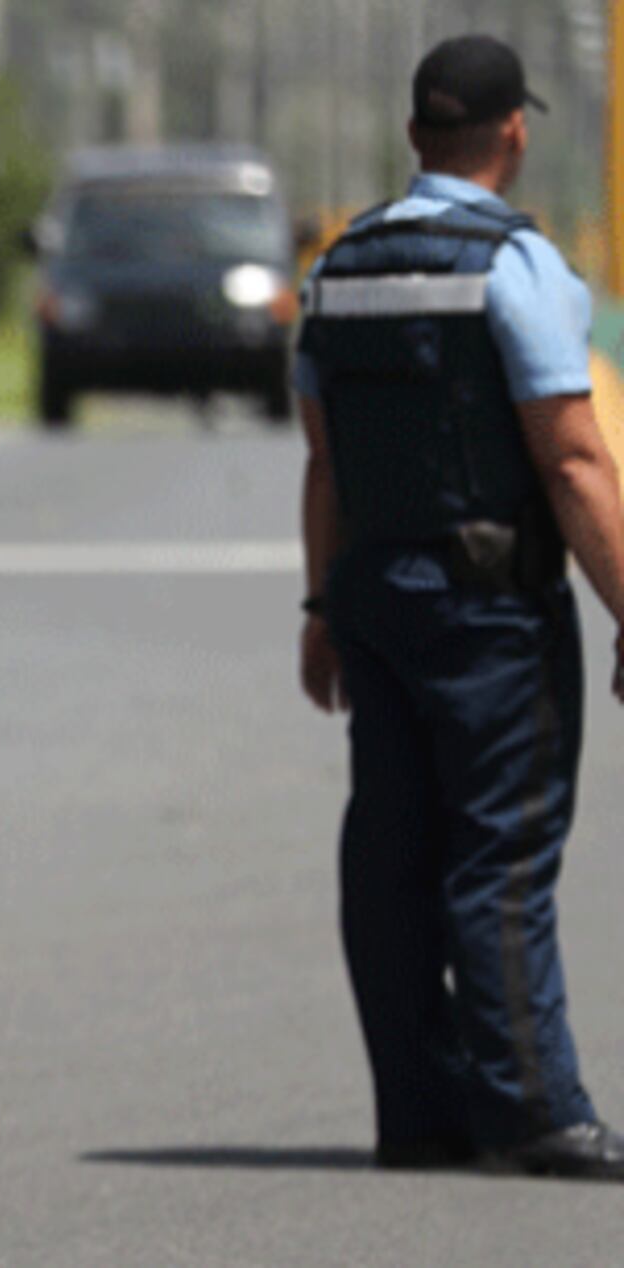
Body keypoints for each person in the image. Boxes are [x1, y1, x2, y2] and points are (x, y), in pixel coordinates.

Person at [296, 33, 624, 1179]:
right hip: (491, 604)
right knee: (500, 848)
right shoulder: (515, 263)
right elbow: (574, 457)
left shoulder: (337, 267)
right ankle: (532, 1110)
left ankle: (418, 1111)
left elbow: (324, 463)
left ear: (411, 136)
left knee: (391, 852)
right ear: (515, 133)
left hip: (376, 592)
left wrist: (320, 606)